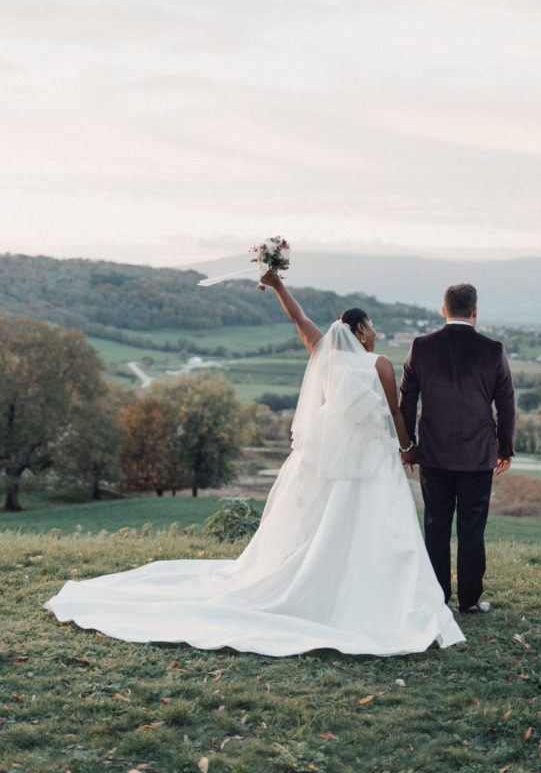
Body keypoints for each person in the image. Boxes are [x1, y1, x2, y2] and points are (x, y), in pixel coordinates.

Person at [45, 271, 464, 656]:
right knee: (379, 525)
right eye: (370, 325)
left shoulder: (324, 354)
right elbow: (394, 412)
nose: (374, 331)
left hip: (329, 461)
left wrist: (278, 284)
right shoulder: (381, 364)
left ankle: (329, 580)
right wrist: (408, 450)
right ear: (360, 330)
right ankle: (376, 591)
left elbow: (299, 319)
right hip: (371, 461)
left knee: (328, 523)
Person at [399, 283, 516, 614]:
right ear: (475, 311)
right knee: (471, 529)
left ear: (443, 309)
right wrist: (505, 448)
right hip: (477, 455)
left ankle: (437, 598)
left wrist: (407, 446)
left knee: (436, 526)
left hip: (433, 453)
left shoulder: (421, 347)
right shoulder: (494, 350)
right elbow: (506, 405)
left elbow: (406, 400)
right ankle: (469, 600)